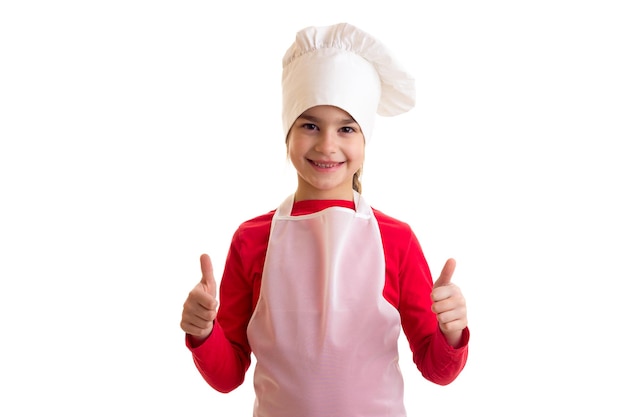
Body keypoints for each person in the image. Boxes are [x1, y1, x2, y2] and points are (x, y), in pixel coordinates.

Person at [180, 22, 469, 417]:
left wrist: (452, 331)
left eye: (346, 128)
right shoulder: (251, 240)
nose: (327, 144)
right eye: (310, 125)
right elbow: (227, 375)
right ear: (288, 134)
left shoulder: (396, 240)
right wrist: (203, 332)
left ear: (365, 142)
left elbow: (437, 370)